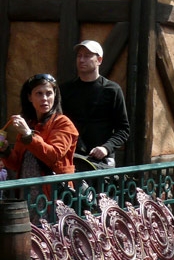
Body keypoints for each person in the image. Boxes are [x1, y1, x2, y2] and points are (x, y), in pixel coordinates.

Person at [0, 74, 79, 204]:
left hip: (52, 197)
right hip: (27, 194)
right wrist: (6, 151)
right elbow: (16, 164)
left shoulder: (63, 123)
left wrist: (28, 135)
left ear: (55, 95)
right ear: (30, 97)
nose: (45, 98)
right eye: (39, 94)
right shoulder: (30, 124)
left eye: (49, 93)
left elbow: (53, 155)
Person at [61, 40, 130, 168]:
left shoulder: (112, 90)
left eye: (87, 56)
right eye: (79, 56)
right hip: (72, 157)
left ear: (99, 60)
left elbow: (123, 129)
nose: (81, 60)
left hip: (101, 160)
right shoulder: (66, 90)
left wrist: (106, 148)